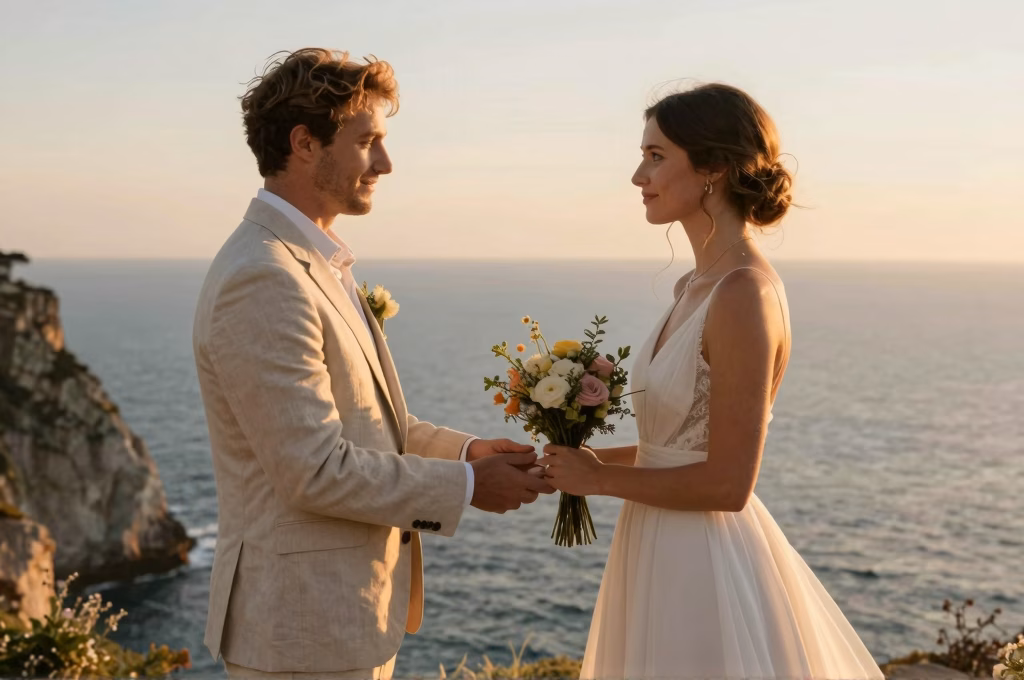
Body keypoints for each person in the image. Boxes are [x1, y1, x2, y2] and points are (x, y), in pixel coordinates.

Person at [192, 48, 551, 679]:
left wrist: (466, 453)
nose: (386, 163)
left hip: (342, 624)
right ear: (305, 144)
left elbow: (370, 423)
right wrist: (469, 489)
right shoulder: (265, 277)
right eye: (369, 142)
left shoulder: (315, 264)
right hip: (299, 636)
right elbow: (315, 470)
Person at [540, 83, 885, 679]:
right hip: (654, 542)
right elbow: (671, 451)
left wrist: (600, 479)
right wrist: (578, 462)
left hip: (702, 561)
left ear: (714, 168)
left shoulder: (744, 294)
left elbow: (729, 482)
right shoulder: (692, 288)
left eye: (655, 156)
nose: (636, 175)